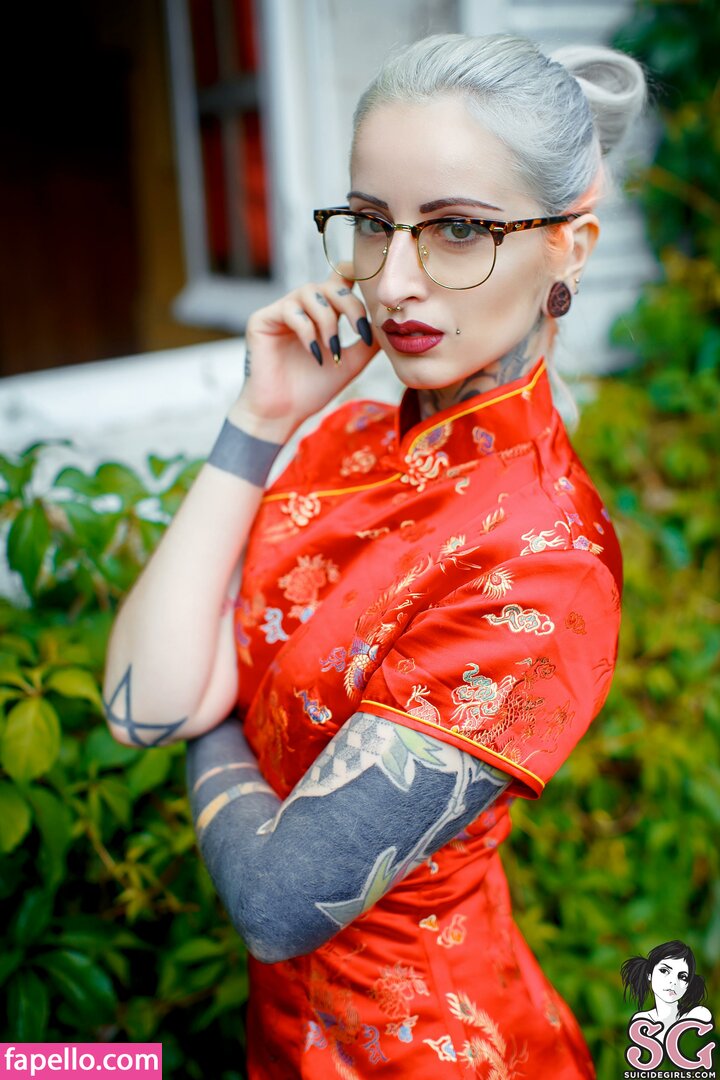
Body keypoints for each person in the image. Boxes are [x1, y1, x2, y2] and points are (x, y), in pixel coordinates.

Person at [103, 32, 647, 1077]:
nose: (393, 282)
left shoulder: (547, 560)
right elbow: (142, 707)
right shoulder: (343, 441)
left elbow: (276, 900)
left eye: (456, 230)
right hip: (282, 1040)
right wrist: (260, 420)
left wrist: (212, 716)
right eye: (370, 224)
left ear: (570, 247)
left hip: (428, 1050)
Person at [621, 941, 712, 1042]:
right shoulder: (640, 1021)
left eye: (682, 977)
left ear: (688, 984)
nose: (673, 982)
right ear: (649, 974)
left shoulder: (698, 1015)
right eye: (664, 971)